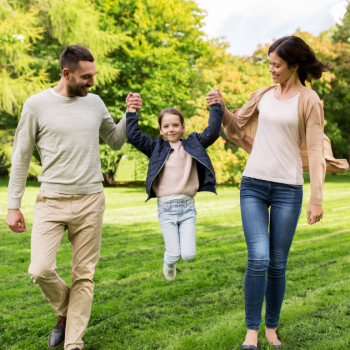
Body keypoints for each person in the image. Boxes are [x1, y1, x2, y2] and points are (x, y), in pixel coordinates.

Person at [206, 36, 349, 350]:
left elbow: (314, 149)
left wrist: (317, 198)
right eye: (269, 63)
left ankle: (271, 327)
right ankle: (251, 333)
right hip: (253, 184)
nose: (271, 70)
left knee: (278, 263)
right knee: (258, 257)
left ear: (294, 65)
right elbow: (237, 125)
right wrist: (222, 106)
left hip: (288, 189)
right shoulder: (264, 95)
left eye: (276, 65)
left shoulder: (309, 100)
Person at [6, 45, 142, 350]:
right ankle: (67, 311)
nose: (92, 82)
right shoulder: (36, 105)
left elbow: (116, 140)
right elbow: (21, 156)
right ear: (66, 73)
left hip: (91, 199)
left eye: (93, 76)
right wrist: (13, 206)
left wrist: (129, 114)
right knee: (39, 269)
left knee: (84, 274)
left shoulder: (94, 103)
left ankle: (74, 343)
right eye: (86, 77)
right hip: (51, 200)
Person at [126, 96, 223, 281]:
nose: (171, 129)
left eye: (176, 125)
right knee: (174, 254)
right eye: (166, 126)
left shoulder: (193, 144)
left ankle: (175, 260)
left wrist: (216, 106)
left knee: (188, 255)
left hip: (187, 208)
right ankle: (169, 263)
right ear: (161, 130)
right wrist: (131, 112)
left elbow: (212, 133)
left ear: (183, 127)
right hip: (166, 210)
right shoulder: (155, 147)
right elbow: (133, 136)